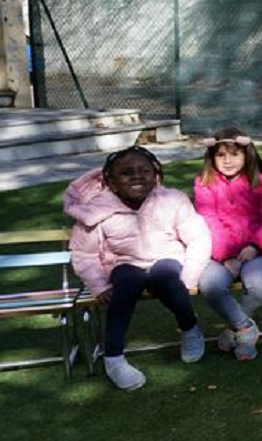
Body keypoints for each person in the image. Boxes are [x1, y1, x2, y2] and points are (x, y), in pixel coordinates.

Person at [65, 146, 212, 390]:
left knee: (167, 278)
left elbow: (199, 238)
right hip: (123, 265)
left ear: (156, 177)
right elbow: (84, 253)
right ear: (111, 183)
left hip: (166, 258)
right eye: (127, 172)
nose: (137, 176)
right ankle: (114, 358)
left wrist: (190, 277)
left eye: (145, 171)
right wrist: (98, 286)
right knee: (126, 282)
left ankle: (190, 329)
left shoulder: (172, 200)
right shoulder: (96, 211)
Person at [194, 127, 262, 362]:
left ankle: (234, 330)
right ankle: (245, 329)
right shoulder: (204, 183)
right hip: (219, 254)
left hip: (254, 251)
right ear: (212, 157)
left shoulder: (259, 181)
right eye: (221, 155)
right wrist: (224, 256)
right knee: (210, 285)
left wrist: (256, 245)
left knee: (261, 285)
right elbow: (208, 220)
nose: (228, 160)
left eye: (234, 154)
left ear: (247, 155)